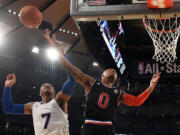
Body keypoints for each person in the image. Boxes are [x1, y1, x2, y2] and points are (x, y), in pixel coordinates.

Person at [44, 29, 161, 135]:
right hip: (90, 125)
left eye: (114, 72)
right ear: (103, 75)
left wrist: (151, 85)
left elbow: (137, 101)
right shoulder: (91, 82)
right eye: (109, 69)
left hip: (108, 127)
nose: (113, 70)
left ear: (114, 80)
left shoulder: (119, 93)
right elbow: (69, 67)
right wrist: (52, 44)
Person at [2, 34, 77, 135]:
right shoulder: (33, 107)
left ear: (54, 93)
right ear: (40, 93)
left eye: (49, 86)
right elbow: (8, 108)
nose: (46, 86)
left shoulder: (60, 101)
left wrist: (64, 54)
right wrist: (7, 86)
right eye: (44, 86)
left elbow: (73, 78)